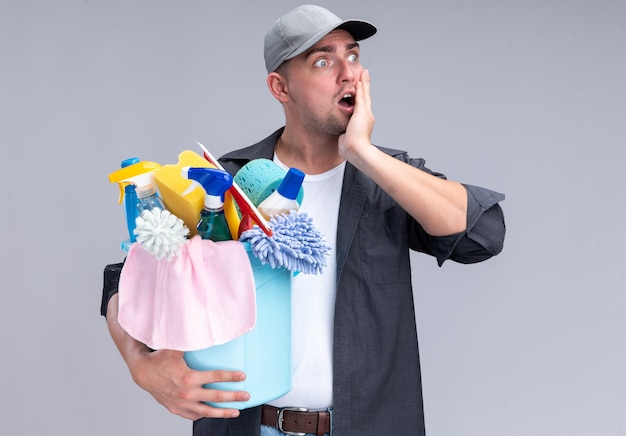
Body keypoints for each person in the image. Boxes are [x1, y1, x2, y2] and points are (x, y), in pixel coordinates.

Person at [101, 5, 506, 436]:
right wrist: (140, 364)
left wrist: (365, 154)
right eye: (323, 61)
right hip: (245, 427)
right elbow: (124, 278)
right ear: (281, 87)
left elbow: (482, 235)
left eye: (352, 56)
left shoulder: (388, 179)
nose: (348, 73)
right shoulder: (226, 182)